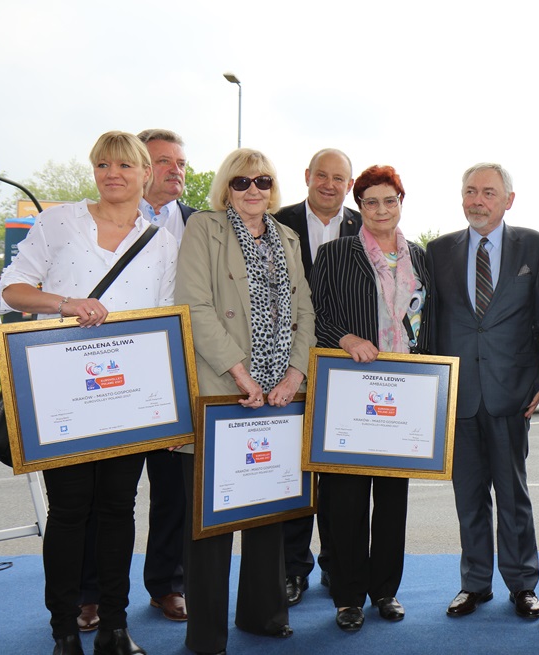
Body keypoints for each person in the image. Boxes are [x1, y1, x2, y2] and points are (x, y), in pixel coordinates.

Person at [0, 131, 178, 655]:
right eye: (103, 164)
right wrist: (65, 302)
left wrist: (169, 413)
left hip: (127, 397)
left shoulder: (163, 241)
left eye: (125, 164)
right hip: (62, 393)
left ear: (145, 173)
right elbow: (13, 289)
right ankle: (63, 633)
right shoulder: (58, 222)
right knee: (70, 508)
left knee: (120, 509)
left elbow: (167, 322)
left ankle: (115, 629)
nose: (113, 173)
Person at [175, 148, 315, 655]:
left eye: (262, 181)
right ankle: (207, 633)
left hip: (280, 394)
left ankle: (263, 614)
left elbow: (304, 307)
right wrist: (240, 373)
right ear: (225, 187)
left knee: (268, 505)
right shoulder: (205, 229)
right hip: (221, 388)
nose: (252, 190)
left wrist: (294, 375)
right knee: (211, 517)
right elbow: (194, 304)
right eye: (241, 182)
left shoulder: (289, 237)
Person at [310, 164, 432, 632]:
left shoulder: (419, 257)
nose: (381, 210)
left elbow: (428, 326)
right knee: (344, 496)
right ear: (358, 207)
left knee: (392, 497)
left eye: (390, 200)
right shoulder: (336, 253)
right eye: (371, 201)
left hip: (404, 392)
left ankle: (384, 590)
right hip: (350, 387)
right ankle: (346, 596)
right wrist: (346, 339)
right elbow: (317, 317)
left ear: (402, 202)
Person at [427, 163, 539, 619]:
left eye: (488, 193)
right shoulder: (437, 251)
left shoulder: (535, 247)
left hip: (511, 393)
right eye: (470, 191)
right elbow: (429, 323)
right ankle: (475, 583)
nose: (477, 200)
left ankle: (522, 584)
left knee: (513, 494)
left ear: (509, 200)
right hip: (458, 394)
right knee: (469, 495)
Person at [274, 147, 361, 605]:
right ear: (307, 176)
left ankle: (335, 564)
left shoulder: (363, 225)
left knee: (336, 476)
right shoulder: (276, 220)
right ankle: (293, 568)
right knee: (293, 470)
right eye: (321, 175)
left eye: (339, 178)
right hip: (288, 365)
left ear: (349, 184)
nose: (329, 184)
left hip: (344, 368)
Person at [137, 128, 196, 622]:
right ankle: (90, 593)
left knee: (173, 487)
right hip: (115, 372)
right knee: (103, 487)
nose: (175, 170)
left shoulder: (200, 223)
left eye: (180, 162)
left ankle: (167, 582)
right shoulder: (100, 219)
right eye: (163, 161)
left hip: (177, 372)